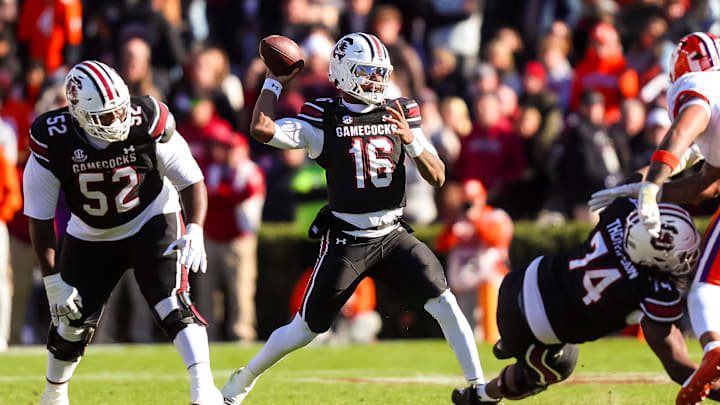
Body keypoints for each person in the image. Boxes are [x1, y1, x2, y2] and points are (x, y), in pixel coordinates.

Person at [222, 32, 489, 405]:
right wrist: (273, 81)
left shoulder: (400, 111)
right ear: (343, 73)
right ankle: (242, 381)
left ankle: (479, 388)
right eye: (367, 73)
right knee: (305, 329)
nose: (377, 81)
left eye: (381, 73)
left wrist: (411, 142)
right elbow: (263, 130)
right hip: (348, 238)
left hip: (394, 233)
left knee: (444, 302)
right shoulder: (324, 117)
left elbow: (439, 175)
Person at [24, 60, 223, 405]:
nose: (116, 121)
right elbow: (40, 219)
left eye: (119, 110)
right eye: (104, 116)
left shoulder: (146, 119)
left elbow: (191, 179)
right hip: (91, 234)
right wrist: (53, 281)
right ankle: (54, 394)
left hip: (152, 218)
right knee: (71, 323)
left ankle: (204, 390)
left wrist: (194, 228)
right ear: (78, 114)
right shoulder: (52, 139)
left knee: (173, 302)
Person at [457, 198, 711, 404]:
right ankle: (482, 396)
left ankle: (512, 345)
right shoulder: (653, 291)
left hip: (516, 282)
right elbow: (679, 367)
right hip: (529, 330)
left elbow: (643, 181)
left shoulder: (620, 215)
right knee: (560, 364)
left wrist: (651, 183)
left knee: (557, 335)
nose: (687, 260)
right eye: (682, 255)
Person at [588, 32, 720, 405]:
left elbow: (686, 127)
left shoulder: (700, 85)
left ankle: (714, 348)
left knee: (708, 288)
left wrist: (651, 187)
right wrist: (647, 188)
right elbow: (707, 185)